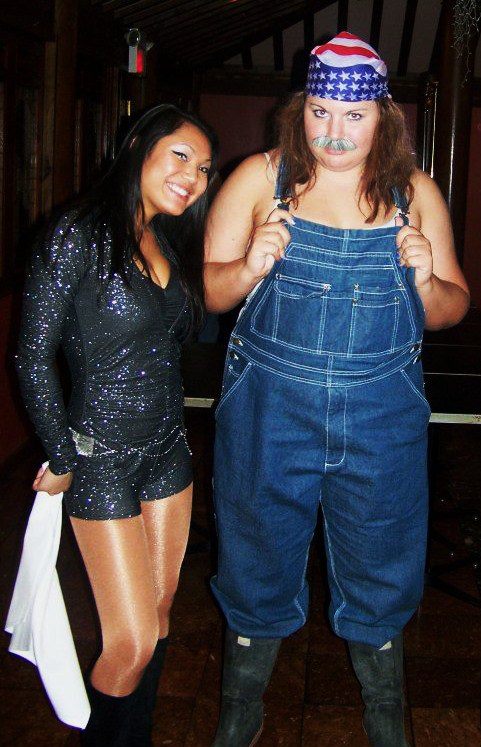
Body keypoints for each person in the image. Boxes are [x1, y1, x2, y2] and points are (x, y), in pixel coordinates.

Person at [204, 32, 469, 747]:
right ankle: (241, 705)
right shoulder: (258, 178)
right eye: (320, 112)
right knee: (254, 551)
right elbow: (212, 292)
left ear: (383, 117)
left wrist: (425, 279)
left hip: (381, 412)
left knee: (383, 556)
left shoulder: (414, 193)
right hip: (270, 406)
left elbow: (452, 308)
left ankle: (385, 709)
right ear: (301, 110)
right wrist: (250, 265)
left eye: (353, 115)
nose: (334, 132)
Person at [16, 103, 218, 746]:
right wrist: (61, 454)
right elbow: (32, 354)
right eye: (181, 156)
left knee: (158, 617)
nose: (193, 177)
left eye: (204, 168)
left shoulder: (166, 238)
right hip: (100, 458)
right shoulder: (78, 233)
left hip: (168, 452)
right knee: (129, 641)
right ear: (137, 147)